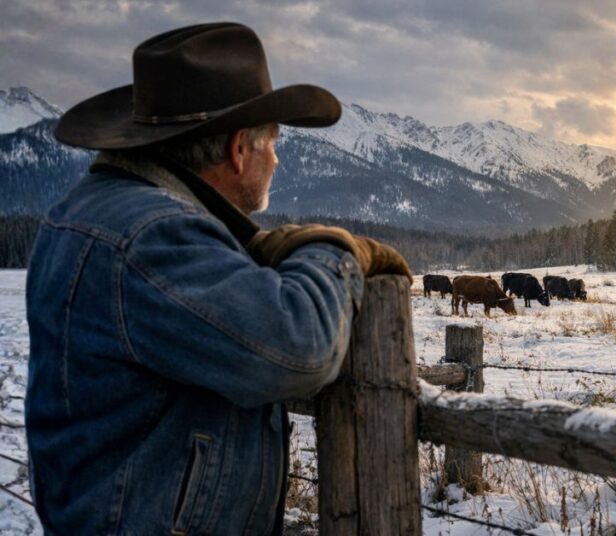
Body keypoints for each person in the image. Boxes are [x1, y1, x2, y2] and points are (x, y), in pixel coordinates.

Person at [25, 22, 411, 534]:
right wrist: (333, 249)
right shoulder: (153, 238)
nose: (275, 157)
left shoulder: (90, 211)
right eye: (273, 142)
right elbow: (296, 346)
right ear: (238, 149)